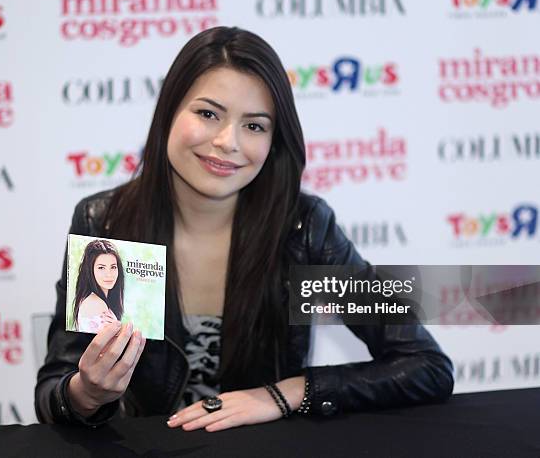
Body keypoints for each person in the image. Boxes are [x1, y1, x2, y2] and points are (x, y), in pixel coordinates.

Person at [35, 26, 453, 431]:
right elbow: (54, 394)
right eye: (207, 114)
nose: (227, 142)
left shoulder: (304, 228)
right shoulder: (107, 222)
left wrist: (285, 393)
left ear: (274, 141)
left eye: (253, 125)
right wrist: (88, 392)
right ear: (168, 112)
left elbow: (425, 365)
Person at [72, 239, 124, 333]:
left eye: (113, 267)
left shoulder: (93, 299)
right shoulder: (95, 302)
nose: (109, 274)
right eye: (101, 268)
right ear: (90, 271)